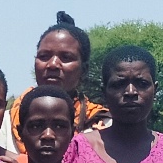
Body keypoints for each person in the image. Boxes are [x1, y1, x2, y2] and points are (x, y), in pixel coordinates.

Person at [8, 12, 108, 153]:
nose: (53, 64)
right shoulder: (4, 126)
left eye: (66, 57)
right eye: (44, 56)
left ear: (84, 69)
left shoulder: (103, 127)